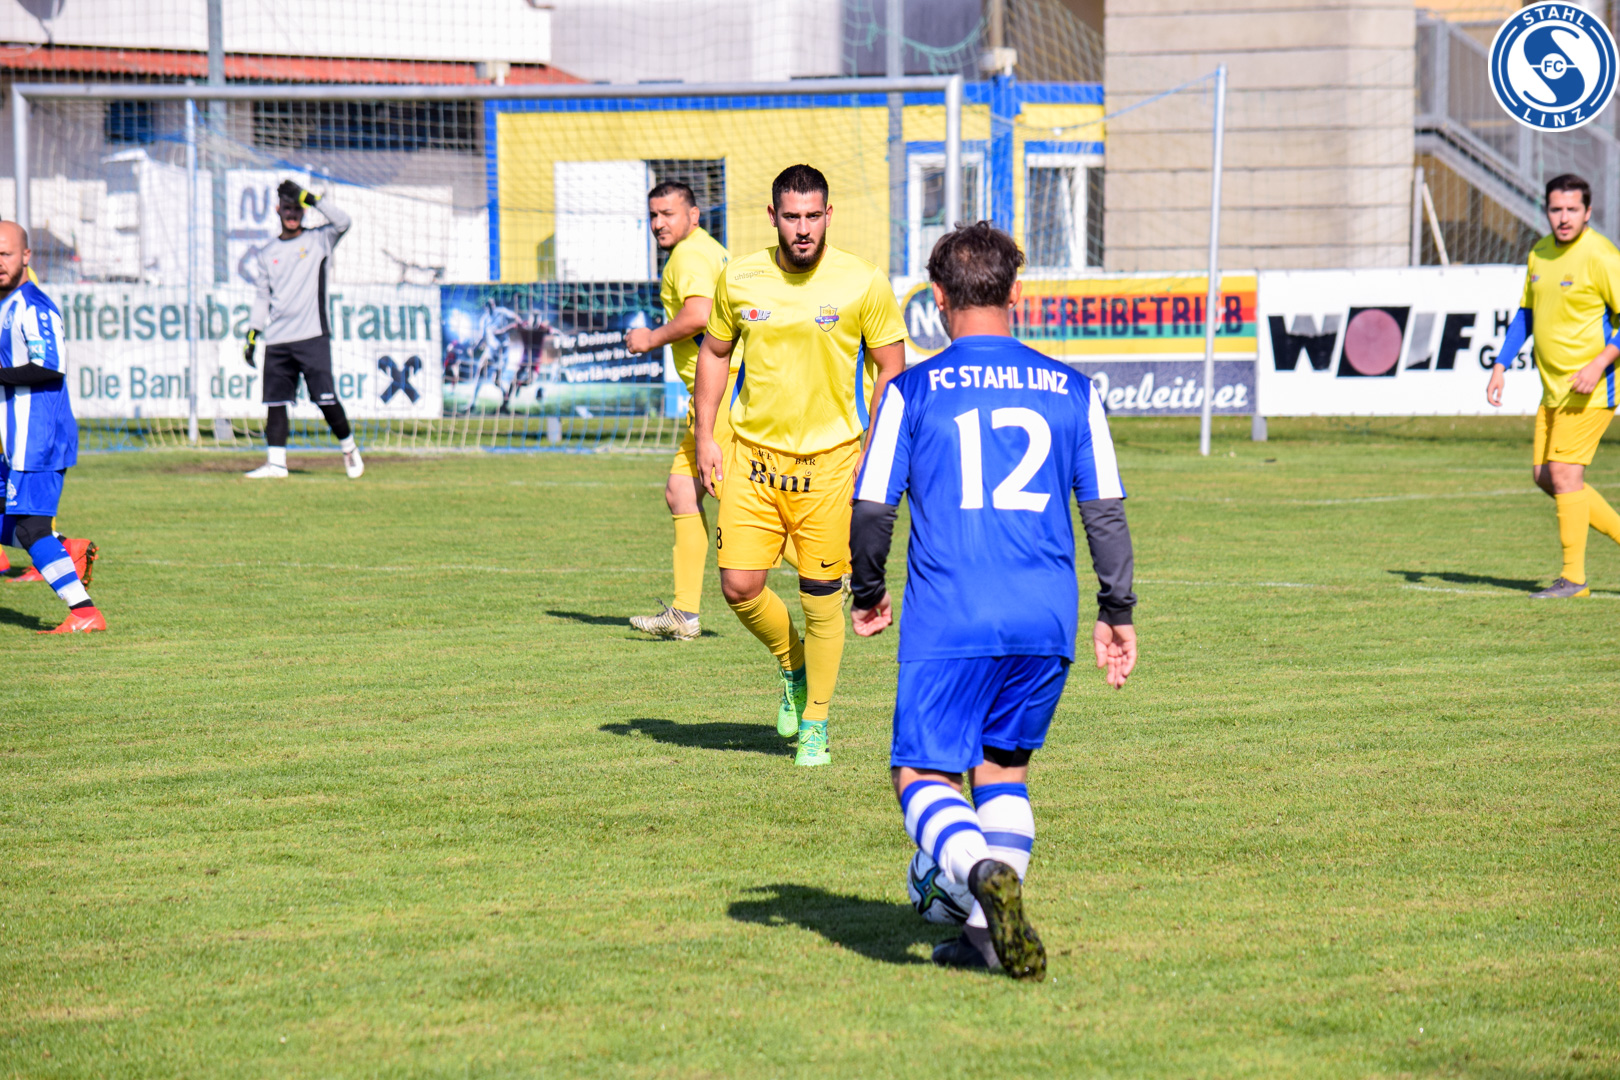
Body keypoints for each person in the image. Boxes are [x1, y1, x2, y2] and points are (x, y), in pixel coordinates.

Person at [848, 221, 1138, 978]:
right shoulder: (1073, 388)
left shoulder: (910, 390)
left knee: (920, 774)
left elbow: (873, 507)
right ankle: (983, 938)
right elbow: (1104, 510)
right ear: (1016, 293)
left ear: (937, 299)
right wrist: (1117, 610)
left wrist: (868, 589)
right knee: (1003, 771)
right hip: (1046, 615)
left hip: (953, 614)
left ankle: (977, 872)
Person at [692, 164, 906, 766]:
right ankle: (793, 664)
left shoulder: (863, 281)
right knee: (738, 587)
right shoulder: (740, 276)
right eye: (792, 217)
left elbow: (892, 368)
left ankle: (816, 722)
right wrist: (706, 436)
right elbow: (714, 352)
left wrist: (875, 448)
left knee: (821, 597)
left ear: (829, 215)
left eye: (813, 216)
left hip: (832, 465)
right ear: (773, 217)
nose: (803, 228)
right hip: (753, 460)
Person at [1488, 173, 1620, 598]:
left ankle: (1573, 579)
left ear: (1588, 212)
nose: (1564, 218)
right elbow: (1526, 315)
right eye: (1556, 209)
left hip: (1591, 389)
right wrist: (1501, 364)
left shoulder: (1602, 255)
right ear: (1546, 210)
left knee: (1563, 475)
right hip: (1553, 390)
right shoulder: (1539, 253)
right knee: (1546, 477)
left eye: (1572, 210)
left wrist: (1599, 363)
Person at [625, 181, 742, 639]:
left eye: (668, 214)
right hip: (718, 389)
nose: (658, 223)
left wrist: (649, 338)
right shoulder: (710, 249)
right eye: (653, 215)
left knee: (739, 497)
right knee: (681, 492)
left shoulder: (689, 256)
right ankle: (684, 615)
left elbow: (699, 314)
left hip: (719, 390)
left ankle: (834, 568)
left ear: (693, 215)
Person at [0, 221, 105, 633]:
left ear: (26, 257)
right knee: (27, 527)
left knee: (31, 528)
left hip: (38, 438)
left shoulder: (34, 305)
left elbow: (49, 365)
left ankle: (84, 612)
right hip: (14, 439)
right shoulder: (6, 304)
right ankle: (66, 549)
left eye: (6, 253)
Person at [242, 179, 363, 480]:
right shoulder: (267, 252)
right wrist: (253, 333)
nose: (292, 214)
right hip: (278, 339)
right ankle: (276, 464)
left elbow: (344, 222)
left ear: (303, 211)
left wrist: (312, 198)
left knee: (324, 398)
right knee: (275, 402)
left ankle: (348, 448)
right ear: (277, 210)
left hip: (312, 335)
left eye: (297, 208)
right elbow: (263, 297)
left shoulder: (319, 240)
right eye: (287, 208)